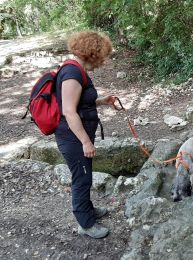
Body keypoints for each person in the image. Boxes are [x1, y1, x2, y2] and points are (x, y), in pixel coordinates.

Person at [54, 30, 117, 239]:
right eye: (101, 56)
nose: (101, 62)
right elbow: (69, 111)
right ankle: (86, 224)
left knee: (84, 176)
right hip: (72, 138)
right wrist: (85, 141)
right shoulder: (72, 72)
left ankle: (87, 211)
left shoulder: (76, 69)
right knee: (81, 179)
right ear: (93, 53)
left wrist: (102, 100)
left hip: (76, 137)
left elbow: (79, 102)